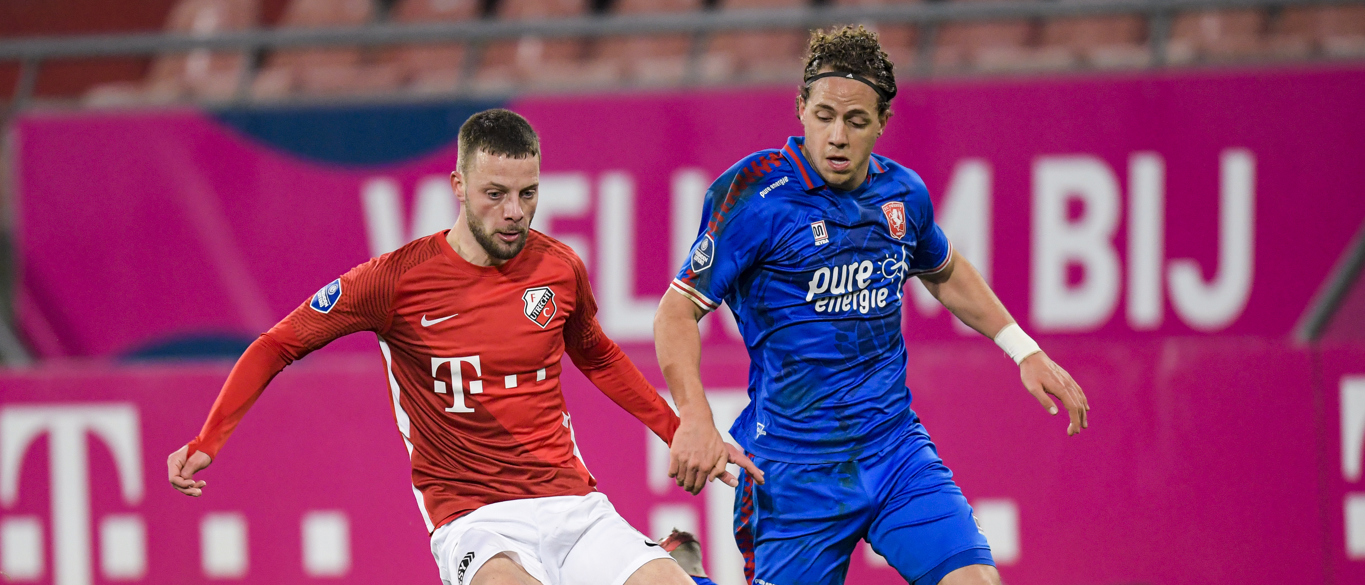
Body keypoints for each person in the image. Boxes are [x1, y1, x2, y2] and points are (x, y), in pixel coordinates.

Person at [167, 108, 758, 585]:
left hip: (574, 506)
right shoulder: (393, 282)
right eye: (494, 193)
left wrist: (678, 429)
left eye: (528, 194)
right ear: (458, 186)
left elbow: (597, 356)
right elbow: (276, 345)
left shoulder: (559, 267)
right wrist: (207, 440)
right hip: (475, 521)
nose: (514, 213)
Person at [654, 27, 1090, 585]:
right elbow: (675, 312)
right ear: (801, 108)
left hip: (894, 450)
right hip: (794, 470)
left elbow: (944, 269)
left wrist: (1023, 349)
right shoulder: (753, 196)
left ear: (882, 121)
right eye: (824, 116)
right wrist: (694, 415)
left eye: (856, 121)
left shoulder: (903, 194)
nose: (837, 136)